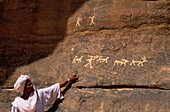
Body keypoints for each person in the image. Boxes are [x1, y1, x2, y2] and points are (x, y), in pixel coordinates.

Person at [11, 74, 79, 112]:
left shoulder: (38, 94)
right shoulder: (17, 103)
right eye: (29, 85)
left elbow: (54, 87)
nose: (32, 86)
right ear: (24, 88)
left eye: (31, 83)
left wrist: (69, 80)